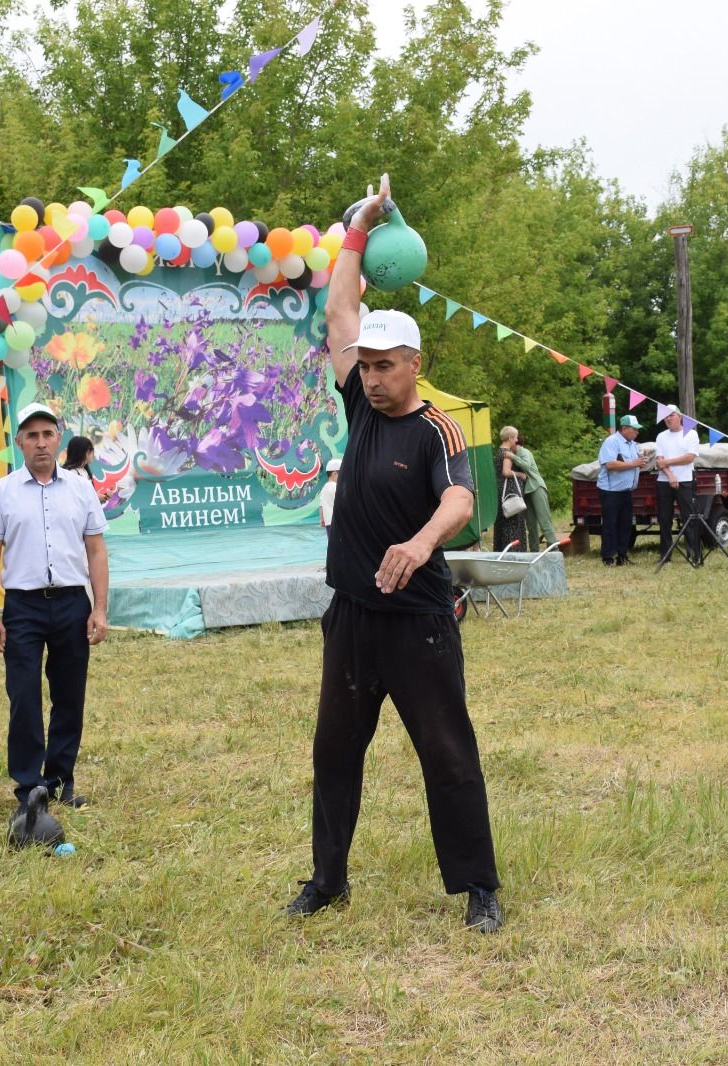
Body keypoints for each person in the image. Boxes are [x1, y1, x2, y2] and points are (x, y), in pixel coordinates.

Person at [286, 174, 503, 934]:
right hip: (351, 616)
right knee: (334, 753)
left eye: (385, 366)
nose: (371, 378)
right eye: (365, 366)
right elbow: (340, 309)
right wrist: (360, 227)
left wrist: (418, 542)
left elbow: (461, 500)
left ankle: (479, 887)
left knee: (446, 751)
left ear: (414, 362)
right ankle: (328, 881)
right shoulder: (359, 406)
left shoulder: (435, 429)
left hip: (418, 620)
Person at [0, 403, 110, 814]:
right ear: (18, 441)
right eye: (31, 435)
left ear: (58, 438)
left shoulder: (80, 488)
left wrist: (100, 608)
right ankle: (29, 789)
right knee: (24, 697)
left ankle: (59, 780)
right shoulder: (1, 492)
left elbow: (96, 550)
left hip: (72, 602)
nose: (40, 442)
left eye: (47, 434)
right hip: (23, 606)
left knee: (70, 695)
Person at [499, 427, 561, 551]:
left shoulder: (524, 452)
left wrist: (513, 457)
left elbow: (526, 466)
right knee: (531, 525)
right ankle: (534, 553)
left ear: (515, 443)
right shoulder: (514, 454)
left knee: (544, 521)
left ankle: (555, 551)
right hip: (526, 492)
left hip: (536, 487)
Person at [654, 405, 702, 563]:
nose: (668, 418)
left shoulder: (691, 434)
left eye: (671, 415)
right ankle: (665, 555)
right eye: (666, 416)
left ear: (680, 416)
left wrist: (668, 462)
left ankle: (693, 553)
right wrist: (670, 475)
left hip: (686, 480)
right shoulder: (661, 436)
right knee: (664, 518)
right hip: (664, 481)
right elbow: (659, 461)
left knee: (689, 517)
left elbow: (689, 457)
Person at [596, 415, 645, 565]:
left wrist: (641, 462)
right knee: (610, 524)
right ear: (624, 429)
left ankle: (622, 556)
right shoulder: (611, 442)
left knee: (626, 524)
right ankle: (608, 557)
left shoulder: (633, 444)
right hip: (611, 491)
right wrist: (634, 463)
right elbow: (610, 464)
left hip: (626, 490)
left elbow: (634, 463)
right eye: (634, 429)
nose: (637, 432)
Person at [493, 443, 527, 552]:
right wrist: (520, 475)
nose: (516, 440)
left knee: (503, 522)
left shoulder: (499, 452)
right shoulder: (508, 453)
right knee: (513, 522)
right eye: (515, 437)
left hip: (502, 488)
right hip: (510, 489)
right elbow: (506, 472)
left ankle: (501, 549)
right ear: (510, 438)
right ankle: (514, 551)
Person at [318, 458, 341, 535]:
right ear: (335, 473)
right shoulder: (336, 487)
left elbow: (321, 506)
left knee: (332, 544)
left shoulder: (324, 488)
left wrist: (322, 519)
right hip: (338, 522)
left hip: (328, 523)